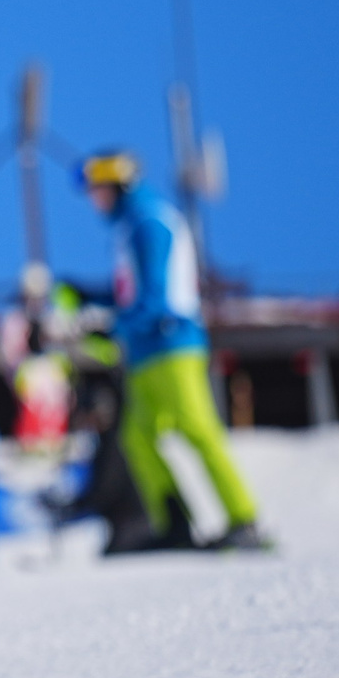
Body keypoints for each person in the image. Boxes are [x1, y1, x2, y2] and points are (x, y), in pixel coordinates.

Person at [78, 151, 267, 552]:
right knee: (138, 437)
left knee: (198, 430)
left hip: (172, 344)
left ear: (118, 185)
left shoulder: (150, 222)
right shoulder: (129, 228)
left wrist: (109, 326)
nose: (94, 200)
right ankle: (175, 524)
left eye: (98, 190)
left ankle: (244, 520)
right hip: (145, 351)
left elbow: (154, 296)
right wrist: (89, 300)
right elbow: (128, 294)